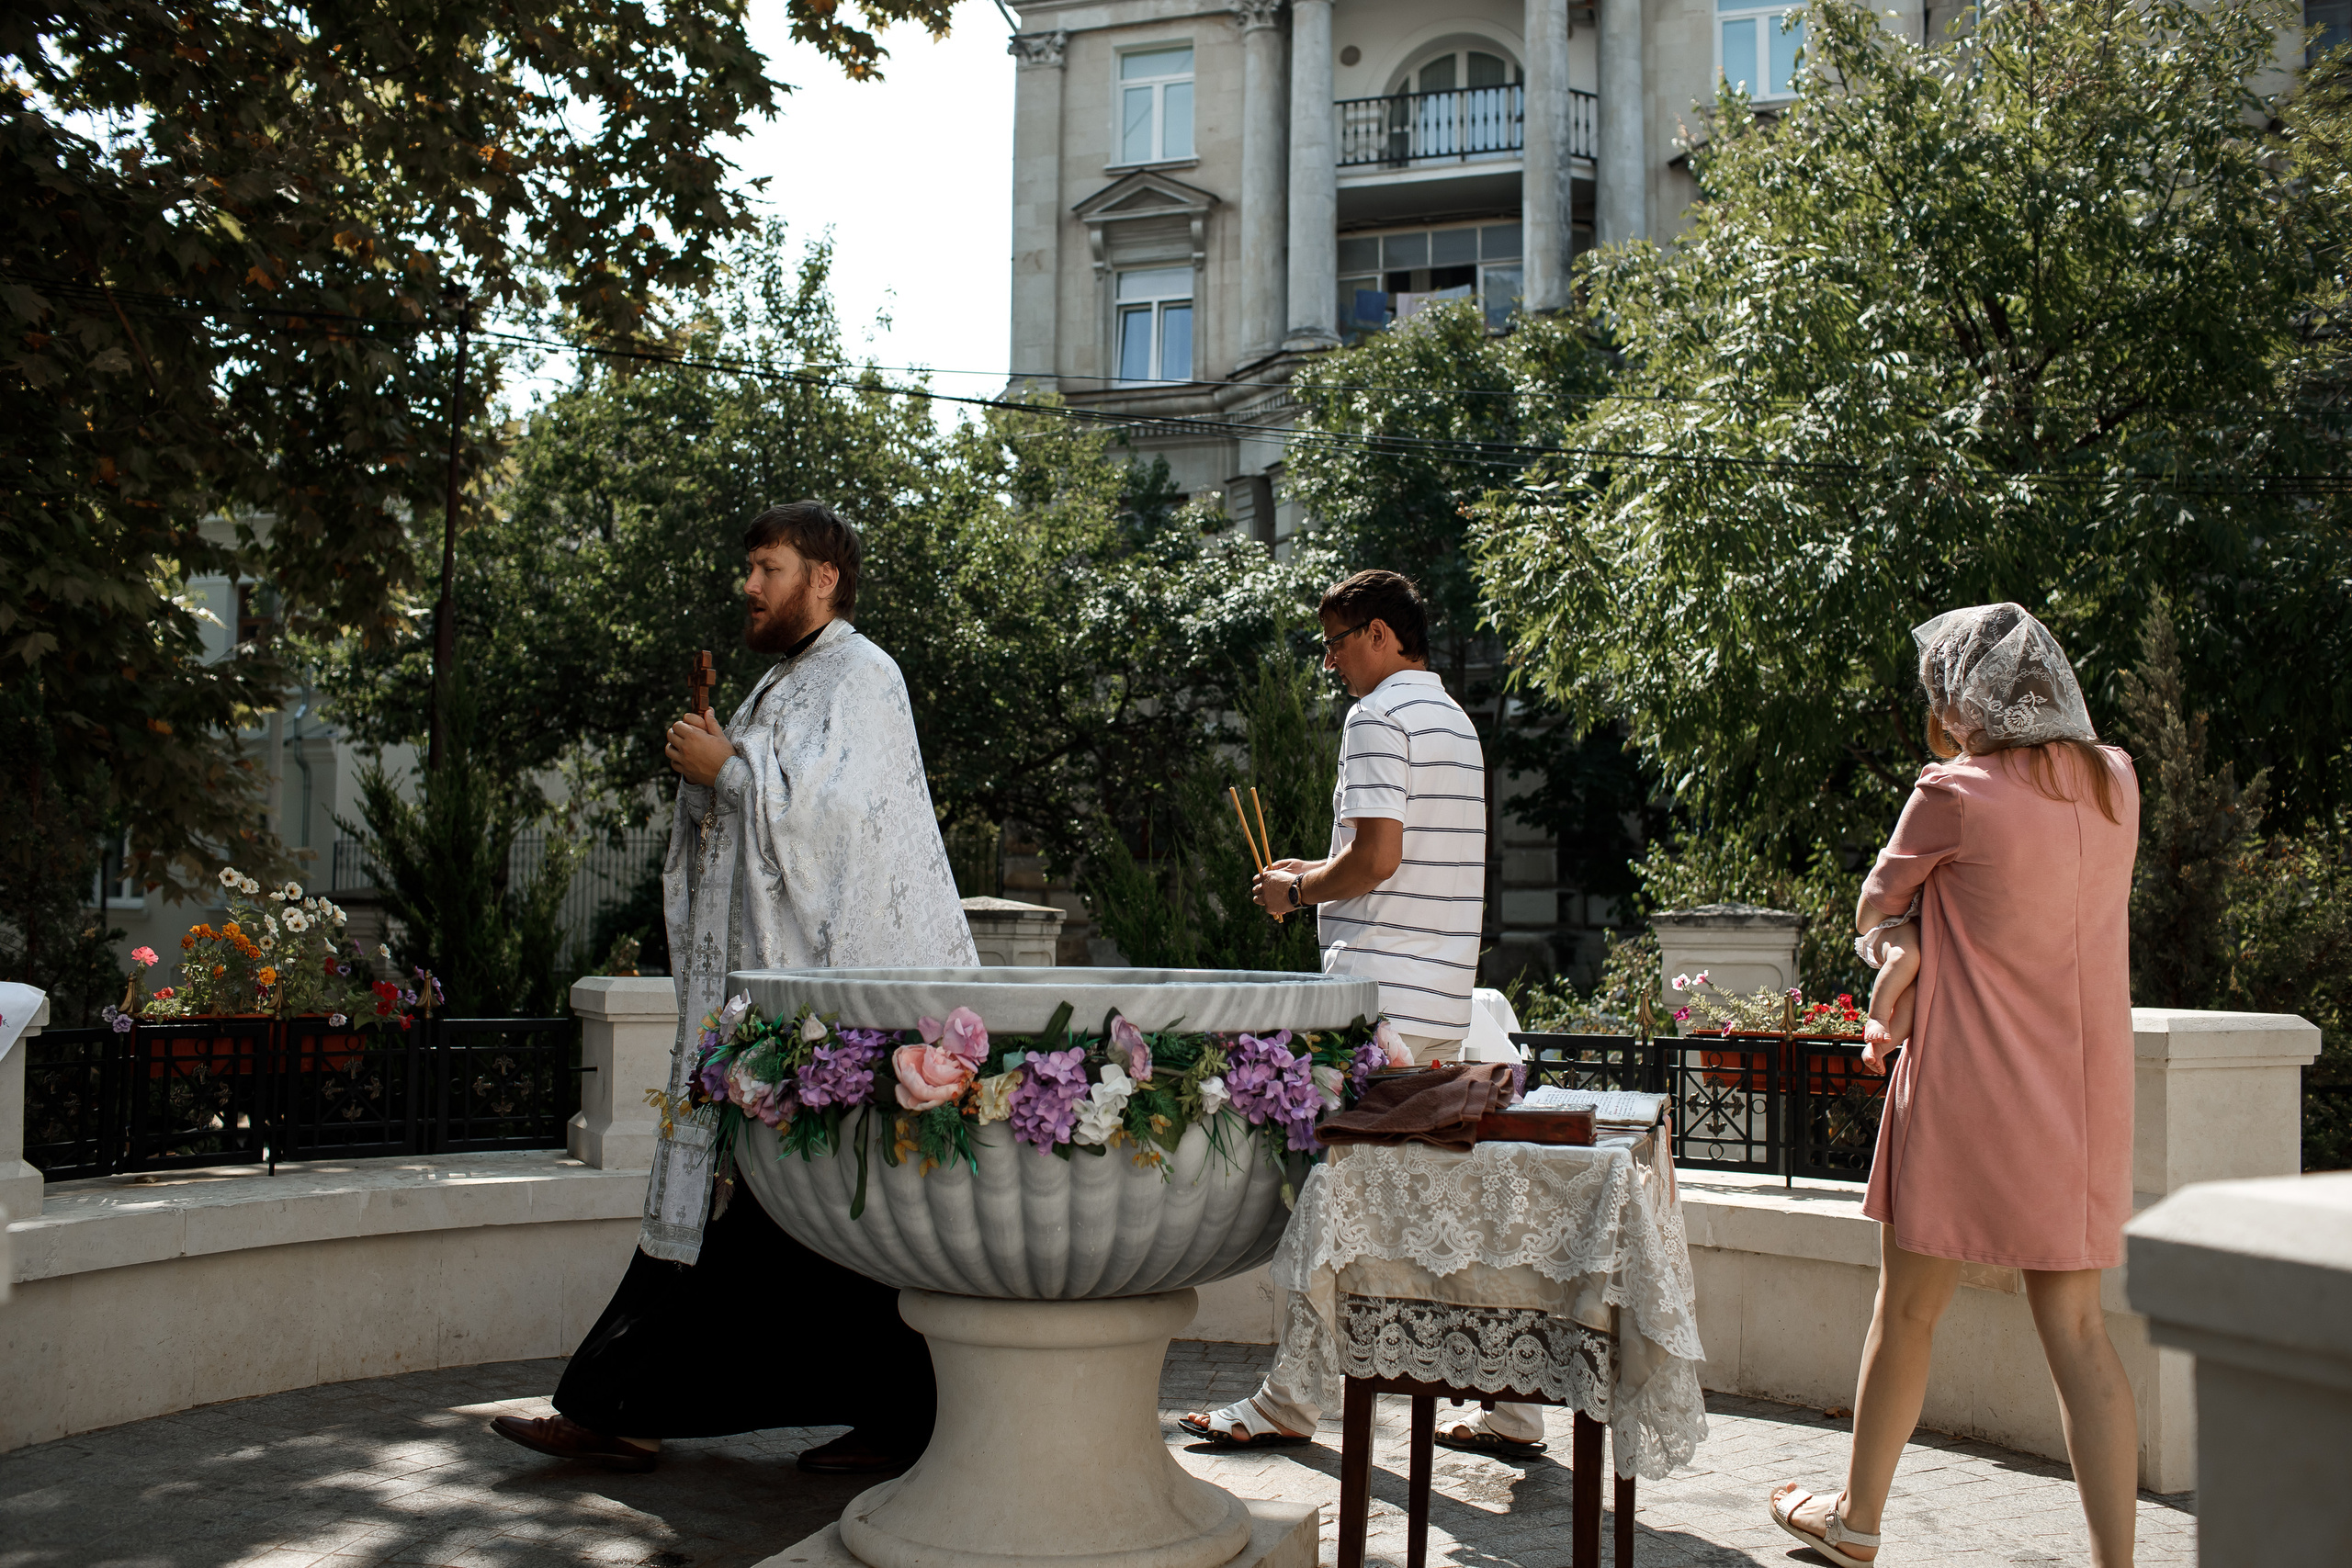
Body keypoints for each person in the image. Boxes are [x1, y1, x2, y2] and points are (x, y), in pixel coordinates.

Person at [491, 502, 978, 1476]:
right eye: (747, 569)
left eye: (766, 567)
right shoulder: (777, 685)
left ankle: (627, 1407)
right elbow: (766, 812)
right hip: (773, 1015)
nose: (747, 586)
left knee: (825, 1229)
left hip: (836, 1010)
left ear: (823, 578)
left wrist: (735, 773)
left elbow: (843, 825)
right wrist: (719, 772)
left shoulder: (862, 674)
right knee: (780, 1232)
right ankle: (631, 1407)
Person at [1770, 603, 2142, 1568]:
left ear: (1957, 696)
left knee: (1906, 1312)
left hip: (1965, 1090)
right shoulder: (2116, 784)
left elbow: (1872, 906)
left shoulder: (1954, 792)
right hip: (2082, 1097)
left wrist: (1910, 942)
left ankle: (1855, 1522)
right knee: (2079, 1332)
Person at [1177, 569, 1544, 1456]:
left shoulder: (1376, 716)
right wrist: (1317, 867)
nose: (1332, 662)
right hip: (1439, 1000)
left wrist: (1300, 888)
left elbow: (1376, 858)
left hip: (1376, 1009)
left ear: (1381, 636)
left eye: (1337, 642)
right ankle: (1518, 1402)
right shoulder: (1453, 720)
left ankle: (1289, 1399)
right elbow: (1393, 860)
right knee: (1430, 1203)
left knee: (1329, 1201)